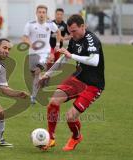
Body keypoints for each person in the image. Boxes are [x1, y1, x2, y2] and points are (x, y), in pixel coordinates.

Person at [39, 14, 105, 151]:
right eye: (70, 32)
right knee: (53, 101)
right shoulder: (74, 39)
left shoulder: (92, 40)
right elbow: (65, 58)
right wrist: (48, 74)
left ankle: (76, 137)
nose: (72, 35)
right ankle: (50, 138)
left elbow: (94, 61)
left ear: (83, 26)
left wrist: (72, 56)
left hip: (93, 85)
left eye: (74, 31)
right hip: (78, 79)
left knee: (70, 117)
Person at [22, 4, 61, 104]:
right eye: (39, 12)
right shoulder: (30, 24)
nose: (41, 14)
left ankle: (33, 97)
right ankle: (44, 79)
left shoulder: (50, 24)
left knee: (37, 71)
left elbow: (58, 32)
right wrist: (31, 45)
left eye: (43, 12)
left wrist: (57, 45)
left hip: (45, 53)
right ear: (36, 13)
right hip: (33, 53)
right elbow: (24, 38)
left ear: (46, 14)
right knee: (33, 74)